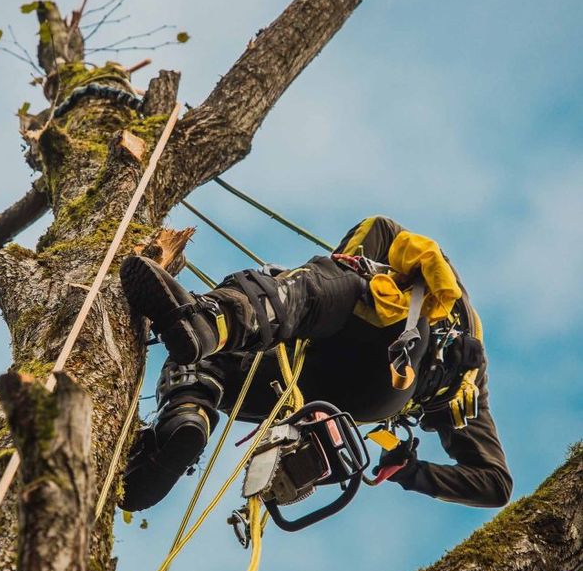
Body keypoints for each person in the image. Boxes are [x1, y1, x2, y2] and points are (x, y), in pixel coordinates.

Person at [118, 216, 512, 512]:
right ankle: (183, 426)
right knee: (202, 358)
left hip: (386, 352)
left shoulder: (409, 263)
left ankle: (213, 321)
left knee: (325, 284)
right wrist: (411, 472)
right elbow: (495, 484)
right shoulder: (471, 389)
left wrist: (315, 279)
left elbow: (358, 248)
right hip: (351, 398)